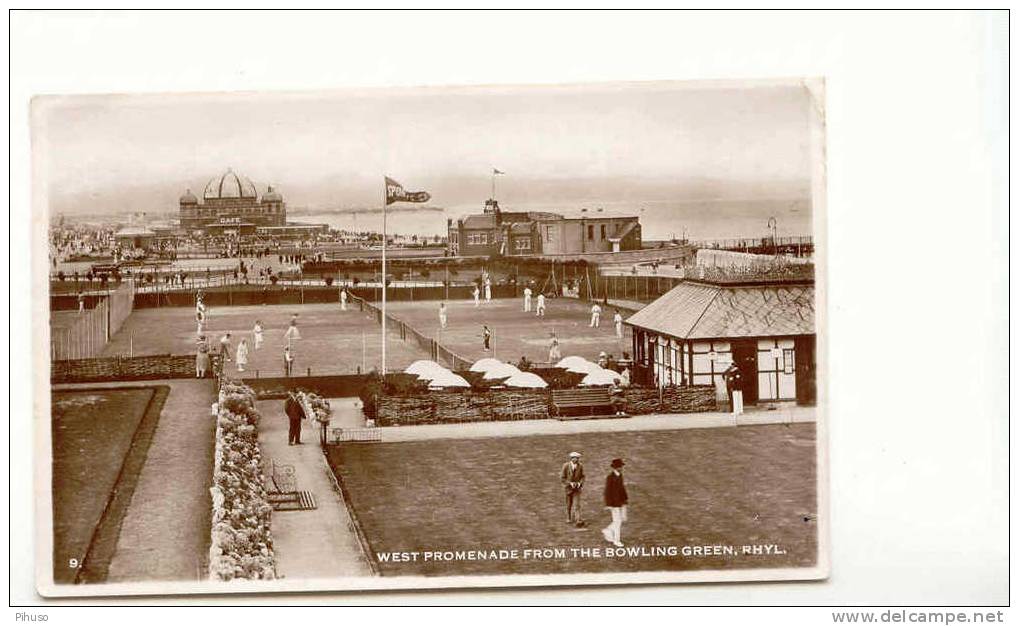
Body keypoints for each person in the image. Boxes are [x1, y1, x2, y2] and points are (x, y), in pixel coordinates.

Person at [602, 458, 628, 548]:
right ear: (615, 467)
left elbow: (622, 488)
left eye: (621, 466)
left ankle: (607, 530)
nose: (621, 468)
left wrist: (625, 499)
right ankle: (617, 540)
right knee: (618, 522)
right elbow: (607, 491)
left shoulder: (620, 475)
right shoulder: (610, 477)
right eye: (620, 467)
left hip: (620, 502)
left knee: (619, 521)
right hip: (614, 504)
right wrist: (608, 504)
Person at [560, 452, 586, 527]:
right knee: (569, 504)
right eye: (575, 458)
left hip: (577, 489)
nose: (576, 459)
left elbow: (583, 476)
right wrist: (570, 483)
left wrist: (579, 483)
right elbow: (562, 478)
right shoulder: (566, 466)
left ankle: (578, 519)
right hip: (568, 489)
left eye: (578, 458)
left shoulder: (580, 466)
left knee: (577, 504)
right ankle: (569, 517)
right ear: (571, 458)